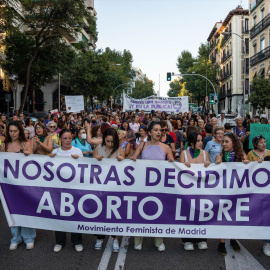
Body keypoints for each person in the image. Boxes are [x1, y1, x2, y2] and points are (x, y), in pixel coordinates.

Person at [130, 121, 174, 251]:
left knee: (158, 212)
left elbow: (171, 160)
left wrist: (171, 161)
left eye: (160, 130)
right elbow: (134, 157)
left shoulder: (166, 147)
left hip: (159, 186)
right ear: (149, 132)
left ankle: (158, 241)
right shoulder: (142, 145)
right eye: (155, 130)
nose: (159, 132)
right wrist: (132, 159)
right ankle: (138, 239)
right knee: (140, 212)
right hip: (143, 186)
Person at [0, 121, 35, 250]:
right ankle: (15, 237)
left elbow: (33, 163)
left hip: (24, 185)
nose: (13, 133)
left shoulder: (26, 144)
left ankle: (28, 237)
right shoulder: (4, 145)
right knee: (12, 211)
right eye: (10, 131)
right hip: (9, 185)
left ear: (19, 131)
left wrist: (28, 155)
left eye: (15, 131)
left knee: (25, 210)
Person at [215, 132, 249, 256]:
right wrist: (218, 161)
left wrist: (247, 163)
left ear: (233, 143)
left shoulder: (242, 155)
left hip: (237, 192)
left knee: (235, 217)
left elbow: (249, 165)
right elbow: (217, 162)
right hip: (223, 192)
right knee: (222, 216)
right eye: (222, 141)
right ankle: (222, 242)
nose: (223, 144)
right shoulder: (220, 155)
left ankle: (233, 239)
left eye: (226, 141)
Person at [50, 129, 84, 253]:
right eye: (65, 138)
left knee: (75, 214)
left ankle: (77, 241)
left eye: (69, 138)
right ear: (60, 139)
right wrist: (49, 159)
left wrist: (78, 160)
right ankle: (60, 241)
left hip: (74, 189)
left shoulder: (78, 151)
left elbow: (84, 170)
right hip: (59, 190)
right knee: (59, 215)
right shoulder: (55, 152)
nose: (67, 141)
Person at [93, 128, 125, 252]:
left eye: (112, 142)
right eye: (107, 141)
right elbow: (91, 166)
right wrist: (96, 158)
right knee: (100, 212)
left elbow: (124, 170)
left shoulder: (119, 150)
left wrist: (122, 160)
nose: (110, 144)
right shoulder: (98, 148)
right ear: (104, 139)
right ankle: (100, 238)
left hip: (115, 188)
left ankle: (115, 238)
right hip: (100, 187)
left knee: (114, 214)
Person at [179, 132, 210, 251]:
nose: (201, 143)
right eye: (198, 141)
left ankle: (202, 239)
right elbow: (179, 171)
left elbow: (212, 171)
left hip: (202, 190)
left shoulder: (206, 154)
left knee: (202, 214)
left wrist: (209, 164)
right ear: (191, 142)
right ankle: (187, 240)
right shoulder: (184, 154)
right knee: (188, 214)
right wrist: (183, 166)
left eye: (201, 140)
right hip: (188, 191)